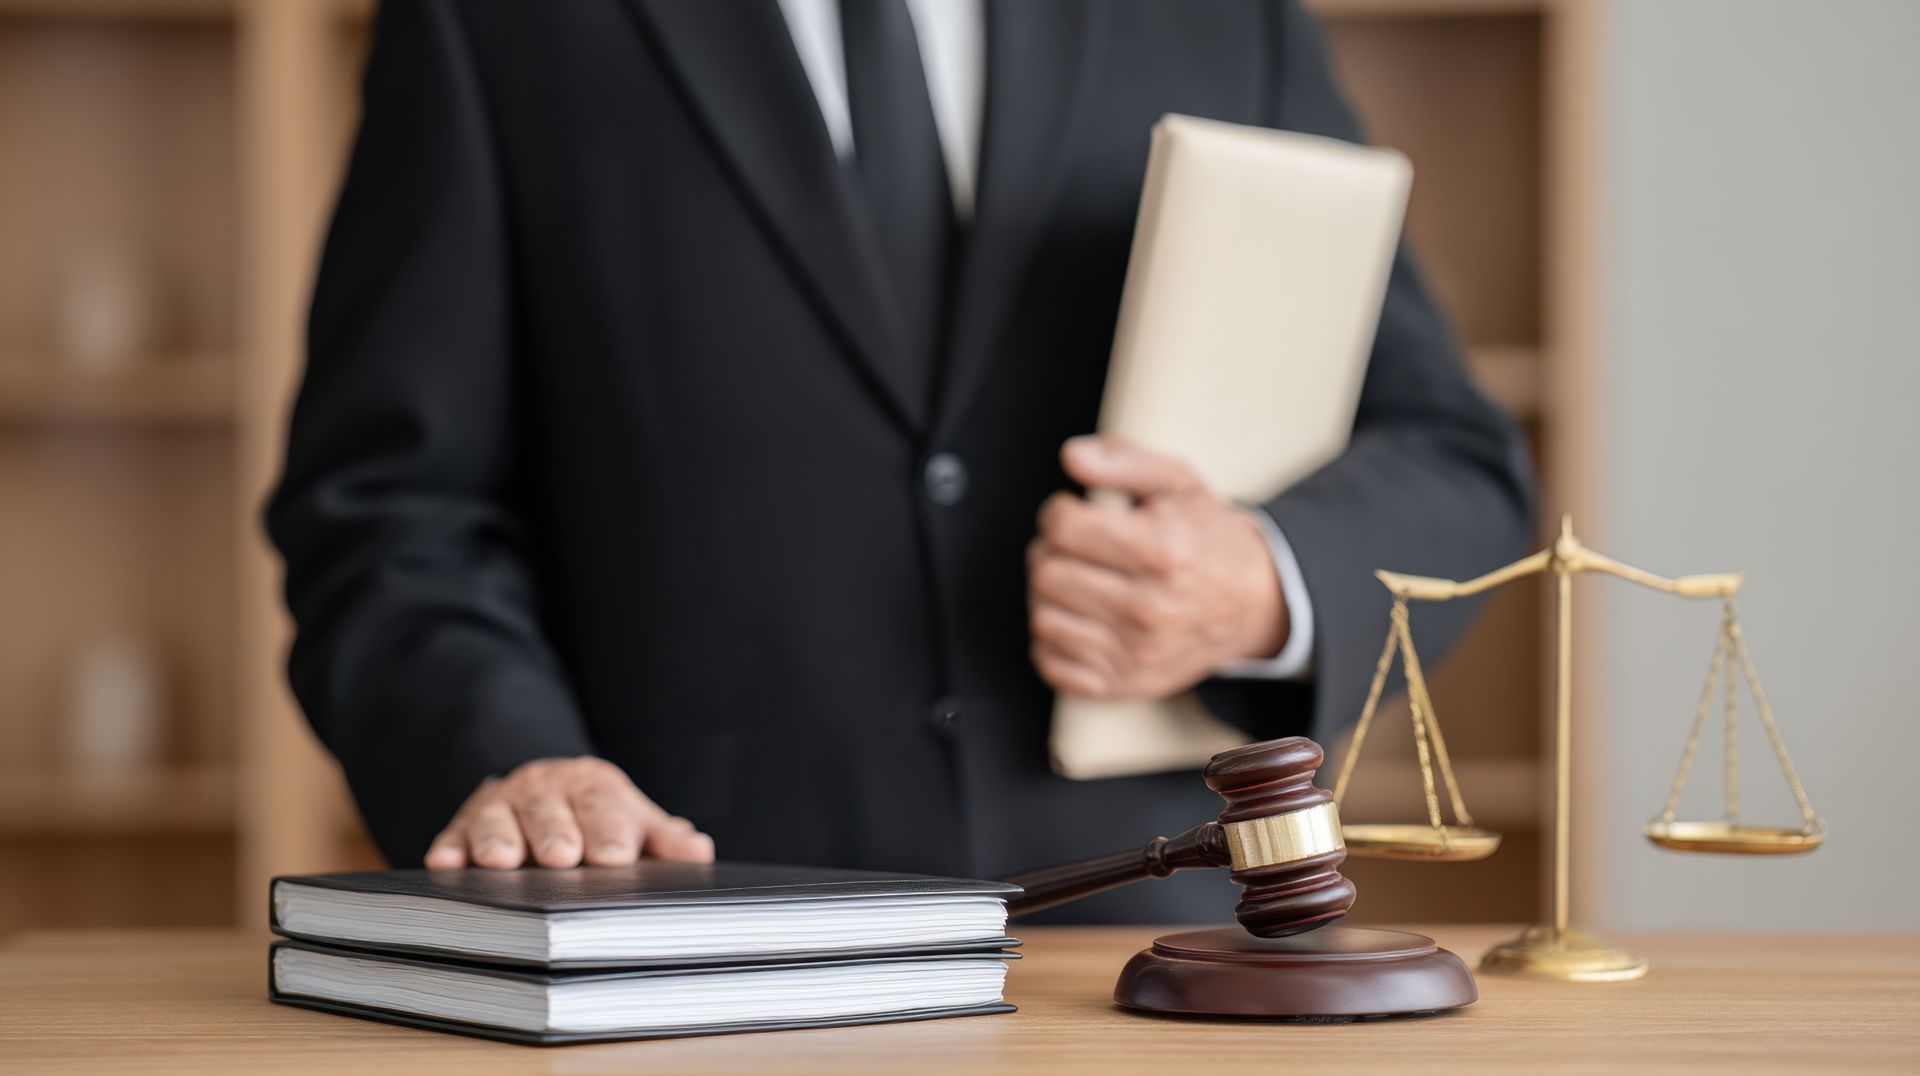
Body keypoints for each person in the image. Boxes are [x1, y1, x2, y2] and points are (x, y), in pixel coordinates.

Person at [268, 0, 1533, 921]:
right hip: (682, 948)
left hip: (1153, 956)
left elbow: (1452, 460)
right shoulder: (494, 25)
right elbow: (385, 506)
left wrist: (1257, 576)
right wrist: (514, 757)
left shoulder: (1227, 14)